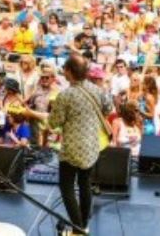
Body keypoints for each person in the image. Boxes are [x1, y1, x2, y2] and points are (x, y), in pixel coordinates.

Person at [48, 55, 111, 235]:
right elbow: (108, 109)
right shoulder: (97, 89)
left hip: (72, 150)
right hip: (92, 145)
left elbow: (53, 123)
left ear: (69, 71)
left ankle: (78, 229)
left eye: (65, 70)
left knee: (66, 186)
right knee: (85, 183)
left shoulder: (65, 95)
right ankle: (84, 224)